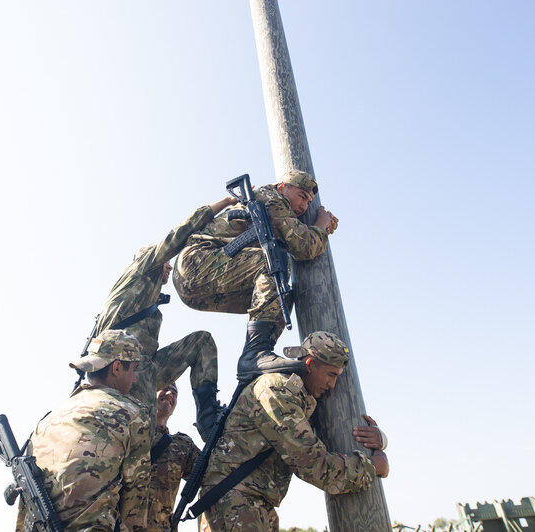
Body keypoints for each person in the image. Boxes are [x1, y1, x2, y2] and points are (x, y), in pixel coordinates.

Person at [197, 331, 389, 532]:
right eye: (331, 374)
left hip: (251, 504)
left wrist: (379, 439)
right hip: (234, 503)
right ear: (310, 365)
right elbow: (314, 466)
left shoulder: (299, 398)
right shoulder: (276, 391)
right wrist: (372, 467)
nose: (333, 385)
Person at [172, 169, 340, 381]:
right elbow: (304, 245)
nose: (305, 207)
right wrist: (321, 225)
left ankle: (257, 357)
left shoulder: (276, 205)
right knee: (274, 261)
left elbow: (299, 237)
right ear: (282, 187)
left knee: (281, 297)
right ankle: (254, 355)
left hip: (201, 283)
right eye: (302, 196)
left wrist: (316, 228)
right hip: (196, 263)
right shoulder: (271, 199)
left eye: (309, 202)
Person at [93, 193, 237, 439]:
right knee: (140, 439)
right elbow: (178, 235)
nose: (170, 267)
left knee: (202, 342)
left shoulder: (150, 302)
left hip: (144, 367)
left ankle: (209, 421)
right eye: (166, 262)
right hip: (122, 366)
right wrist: (223, 204)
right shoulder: (142, 269)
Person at [17, 329, 150, 532]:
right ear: (116, 368)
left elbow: (26, 503)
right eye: (132, 370)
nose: (134, 380)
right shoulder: (132, 414)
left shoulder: (49, 419)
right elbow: (135, 506)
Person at [146, 383, 201, 532]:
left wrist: (214, 432)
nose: (170, 393)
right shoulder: (126, 429)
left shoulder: (183, 445)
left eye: (175, 393)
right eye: (165, 387)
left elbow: (213, 471)